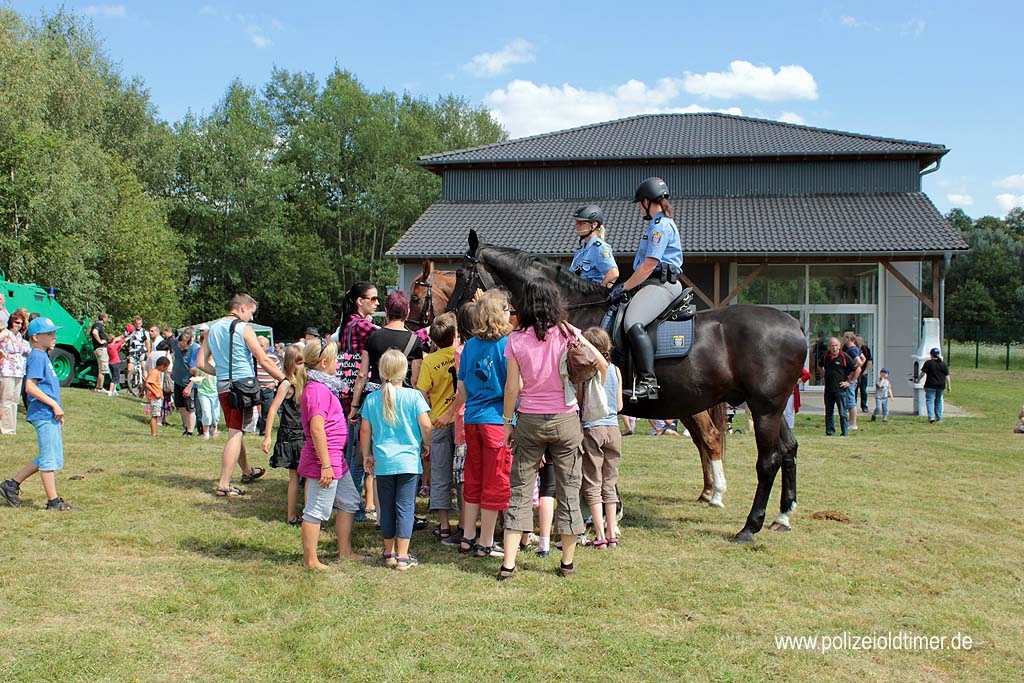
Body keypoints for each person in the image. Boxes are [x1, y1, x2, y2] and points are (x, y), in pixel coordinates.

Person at [498, 279, 607, 580]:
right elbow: (600, 362)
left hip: (529, 420)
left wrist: (508, 423)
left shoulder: (516, 339)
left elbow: (511, 388)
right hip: (566, 419)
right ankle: (567, 563)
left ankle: (508, 564)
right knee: (569, 490)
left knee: (520, 490)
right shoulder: (569, 333)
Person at [196, 294, 285, 497]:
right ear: (242, 308)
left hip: (223, 387)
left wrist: (221, 372)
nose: (252, 318)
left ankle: (247, 471)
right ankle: (224, 484)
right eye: (251, 312)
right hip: (241, 388)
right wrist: (284, 379)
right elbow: (262, 358)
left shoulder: (212, 329)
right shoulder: (243, 329)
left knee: (235, 431)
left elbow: (201, 363)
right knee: (235, 433)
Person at [608, 177, 683, 400]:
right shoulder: (656, 224)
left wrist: (624, 286)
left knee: (633, 321)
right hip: (653, 283)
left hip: (662, 283)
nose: (641, 208)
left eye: (641, 203)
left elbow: (649, 265)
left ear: (647, 201)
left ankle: (649, 382)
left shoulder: (660, 226)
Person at [295, 337, 363, 569]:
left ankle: (345, 551)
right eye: (336, 359)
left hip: (335, 459)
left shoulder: (322, 387)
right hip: (324, 460)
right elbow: (316, 427)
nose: (339, 362)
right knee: (316, 510)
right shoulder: (317, 390)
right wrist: (325, 464)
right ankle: (311, 561)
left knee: (350, 501)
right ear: (324, 363)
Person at [361, 349, 432, 570]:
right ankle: (403, 556)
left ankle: (389, 552)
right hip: (409, 462)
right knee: (405, 507)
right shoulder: (414, 396)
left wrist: (367, 454)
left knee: (388, 508)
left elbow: (364, 430)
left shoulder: (372, 399)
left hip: (383, 462)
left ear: (381, 371)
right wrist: (426, 443)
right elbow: (427, 425)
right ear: (405, 370)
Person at [456, 290, 513, 558]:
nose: (510, 313)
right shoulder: (507, 344)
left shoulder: (469, 345)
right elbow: (515, 386)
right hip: (497, 421)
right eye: (507, 309)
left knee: (473, 478)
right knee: (496, 480)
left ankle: (468, 536)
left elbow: (463, 387)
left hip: (473, 419)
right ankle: (486, 542)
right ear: (499, 312)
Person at [0, 317, 79, 511]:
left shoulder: (43, 356)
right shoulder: (36, 356)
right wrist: (53, 405)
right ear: (36, 337)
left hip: (49, 413)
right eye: (50, 333)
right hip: (43, 413)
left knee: (48, 455)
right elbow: (30, 387)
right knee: (49, 459)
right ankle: (53, 502)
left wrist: (57, 409)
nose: (55, 336)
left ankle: (11, 485)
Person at [336, 282, 380, 521]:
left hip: (350, 393)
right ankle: (351, 505)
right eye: (372, 299)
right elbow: (388, 336)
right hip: (358, 395)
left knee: (355, 450)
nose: (377, 303)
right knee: (357, 453)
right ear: (359, 301)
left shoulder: (348, 325)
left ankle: (352, 503)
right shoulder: (361, 325)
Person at [416, 312, 460, 541]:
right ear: (455, 335)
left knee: (441, 474)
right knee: (463, 474)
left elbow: (421, 392)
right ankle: (465, 523)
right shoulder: (461, 353)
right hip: (461, 419)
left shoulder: (430, 361)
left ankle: (443, 525)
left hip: (438, 421)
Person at [580, 327, 623, 550]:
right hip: (613, 429)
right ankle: (611, 530)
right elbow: (620, 405)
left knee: (592, 481)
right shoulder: (615, 370)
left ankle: (599, 533)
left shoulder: (586, 371)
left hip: (592, 429)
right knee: (610, 482)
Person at [262, 344, 305, 525]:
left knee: (306, 476)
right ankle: (291, 515)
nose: (303, 366)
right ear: (291, 363)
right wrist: (267, 436)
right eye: (299, 363)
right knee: (295, 476)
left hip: (304, 433)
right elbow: (272, 410)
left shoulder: (305, 382)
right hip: (291, 434)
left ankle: (305, 513)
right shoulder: (286, 384)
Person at [569, 205, 619, 287]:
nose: (577, 226)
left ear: (594, 224)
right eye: (577, 223)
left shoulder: (600, 248)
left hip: (590, 297)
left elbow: (613, 273)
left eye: (582, 223)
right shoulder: (580, 251)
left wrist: (599, 291)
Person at [1, 309, 32, 434]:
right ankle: (4, 428)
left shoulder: (20, 337)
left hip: (19, 371)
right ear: (11, 322)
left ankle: (11, 428)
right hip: (7, 370)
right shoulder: (5, 334)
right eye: (16, 322)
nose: (18, 325)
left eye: (20, 323)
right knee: (6, 400)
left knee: (14, 400)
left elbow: (28, 350)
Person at [819, 337, 853, 436]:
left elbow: (857, 369)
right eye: (832, 346)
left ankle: (844, 432)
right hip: (829, 389)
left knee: (842, 412)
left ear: (839, 346)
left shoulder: (844, 356)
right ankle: (830, 432)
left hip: (840, 389)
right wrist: (823, 374)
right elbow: (819, 366)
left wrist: (849, 382)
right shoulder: (825, 356)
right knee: (829, 412)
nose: (834, 348)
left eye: (836, 345)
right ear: (829, 347)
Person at [171, 328, 199, 436]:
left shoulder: (195, 350)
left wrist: (190, 386)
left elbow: (197, 372)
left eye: (183, 347)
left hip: (188, 382)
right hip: (178, 380)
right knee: (181, 407)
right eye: (179, 345)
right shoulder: (178, 345)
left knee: (190, 408)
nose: (180, 348)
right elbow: (177, 358)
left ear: (189, 343)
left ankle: (191, 431)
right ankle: (186, 428)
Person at [916, 348, 951, 423]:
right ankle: (939, 417)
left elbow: (922, 373)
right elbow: (947, 376)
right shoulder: (943, 364)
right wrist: (949, 386)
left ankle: (931, 417)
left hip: (930, 385)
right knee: (938, 401)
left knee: (930, 401)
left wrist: (918, 380)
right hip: (940, 386)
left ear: (931, 355)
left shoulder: (928, 363)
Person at [255, 336, 281, 436]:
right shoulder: (253, 357)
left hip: (268, 388)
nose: (259, 347)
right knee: (253, 411)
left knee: (267, 410)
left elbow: (279, 372)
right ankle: (255, 427)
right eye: (258, 345)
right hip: (256, 388)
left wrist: (274, 383)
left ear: (267, 347)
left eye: (261, 345)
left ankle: (264, 430)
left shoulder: (273, 358)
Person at [842, 333, 865, 430]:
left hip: (850, 379)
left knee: (850, 401)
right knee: (851, 399)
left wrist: (853, 372)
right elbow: (863, 358)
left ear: (848, 338)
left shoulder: (851, 350)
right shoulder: (856, 348)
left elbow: (859, 362)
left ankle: (852, 423)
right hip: (853, 377)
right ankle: (851, 422)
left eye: (844, 337)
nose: (843, 339)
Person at [145, 357, 171, 437]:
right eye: (166, 367)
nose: (166, 369)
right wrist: (155, 393)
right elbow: (147, 383)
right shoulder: (155, 372)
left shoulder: (157, 372)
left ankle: (154, 432)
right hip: (154, 398)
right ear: (162, 366)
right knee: (154, 415)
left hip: (158, 397)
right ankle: (154, 433)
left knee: (156, 415)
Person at [90, 312, 110, 393]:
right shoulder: (98, 325)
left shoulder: (96, 324)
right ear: (103, 318)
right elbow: (95, 332)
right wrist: (100, 341)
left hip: (98, 349)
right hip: (101, 349)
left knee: (100, 369)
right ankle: (100, 388)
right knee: (103, 369)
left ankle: (98, 387)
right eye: (106, 318)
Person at [105, 330, 126, 396]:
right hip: (116, 363)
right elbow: (121, 342)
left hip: (111, 363)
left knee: (117, 377)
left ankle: (114, 390)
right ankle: (110, 391)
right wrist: (127, 337)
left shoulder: (108, 346)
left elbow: (116, 350)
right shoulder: (113, 346)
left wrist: (120, 346)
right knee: (115, 378)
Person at [856, 334, 873, 413]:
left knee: (863, 390)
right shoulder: (851, 349)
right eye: (857, 340)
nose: (859, 342)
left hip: (862, 373)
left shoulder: (866, 349)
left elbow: (869, 360)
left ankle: (864, 406)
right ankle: (852, 406)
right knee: (853, 390)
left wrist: (865, 371)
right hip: (854, 373)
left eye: (860, 340)